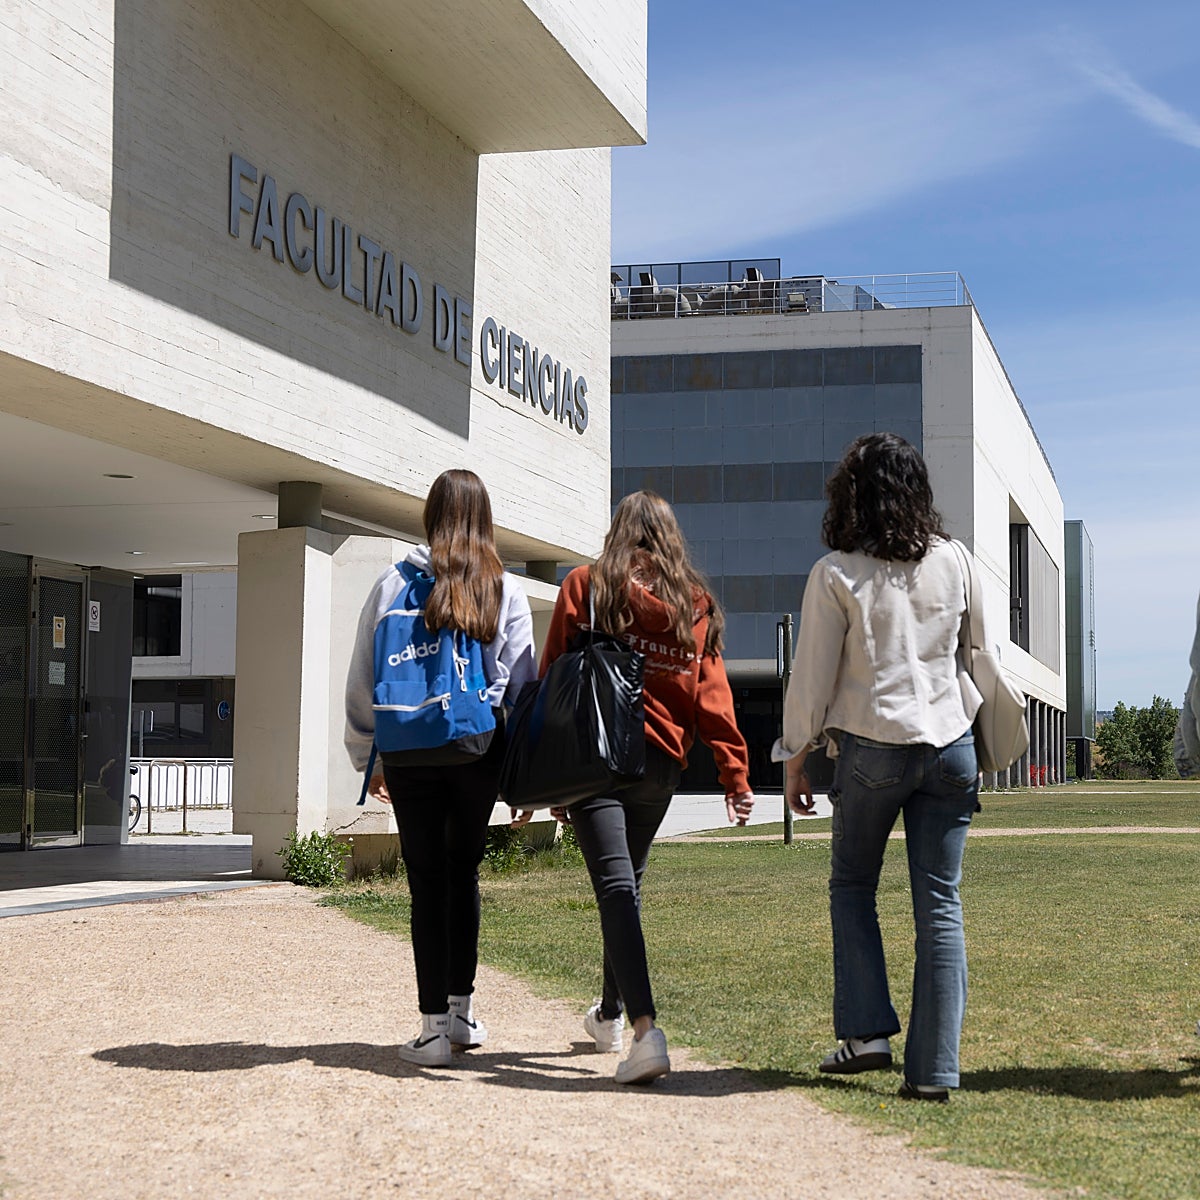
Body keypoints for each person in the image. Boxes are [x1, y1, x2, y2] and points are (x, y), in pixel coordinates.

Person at [773, 433, 982, 1103]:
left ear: (851, 496)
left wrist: (795, 759)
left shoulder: (836, 573)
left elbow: (811, 679)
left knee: (853, 883)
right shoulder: (955, 560)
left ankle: (865, 1036)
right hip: (951, 743)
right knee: (940, 905)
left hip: (873, 744)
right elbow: (978, 653)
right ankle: (934, 1072)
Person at [523, 490, 754, 1084]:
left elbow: (554, 678)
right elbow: (712, 698)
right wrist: (733, 773)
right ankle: (608, 1015)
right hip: (660, 767)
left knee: (616, 887)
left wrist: (542, 771)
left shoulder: (587, 587)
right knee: (624, 888)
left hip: (597, 760)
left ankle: (647, 1032)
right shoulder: (694, 604)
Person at [345, 468, 536, 1067]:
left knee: (425, 882)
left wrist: (368, 755)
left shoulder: (392, 583)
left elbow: (364, 674)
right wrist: (519, 772)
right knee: (463, 873)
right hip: (477, 749)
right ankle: (461, 1014)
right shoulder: (502, 588)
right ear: (485, 519)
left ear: (430, 516)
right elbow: (519, 686)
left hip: (408, 749)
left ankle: (430, 1031)